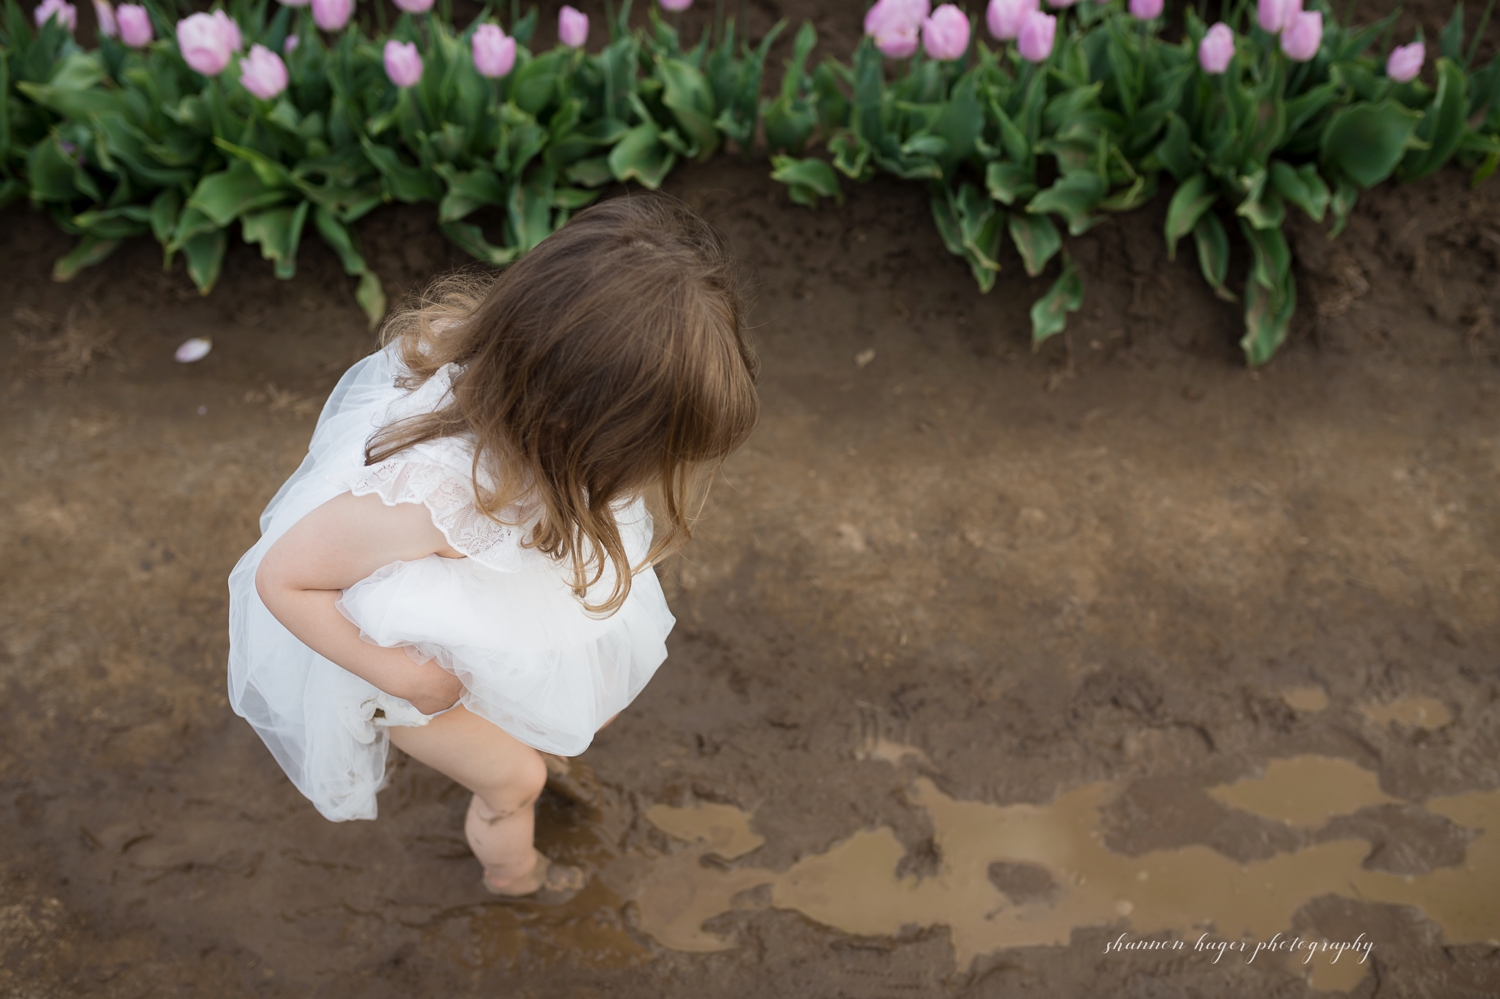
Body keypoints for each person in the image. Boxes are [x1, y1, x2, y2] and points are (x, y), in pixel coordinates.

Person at [226, 195, 759, 901]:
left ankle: (525, 745)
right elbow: (283, 577)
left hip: (478, 599)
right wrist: (408, 678)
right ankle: (518, 876)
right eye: (647, 454)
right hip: (401, 661)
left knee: (593, 694)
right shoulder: (432, 497)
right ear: (578, 425)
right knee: (517, 780)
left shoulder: (538, 415)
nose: (656, 477)